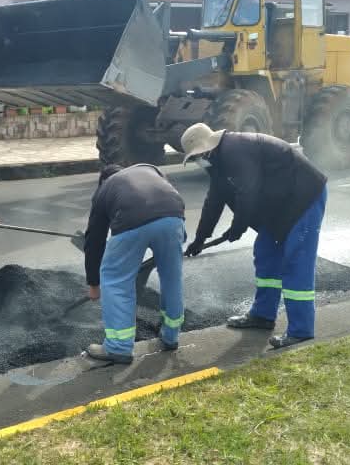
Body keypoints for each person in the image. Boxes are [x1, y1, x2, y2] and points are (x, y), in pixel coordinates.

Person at [180, 122, 327, 349]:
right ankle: (263, 315)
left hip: (303, 199)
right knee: (266, 253)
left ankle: (301, 330)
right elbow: (214, 202)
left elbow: (248, 192)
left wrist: (237, 228)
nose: (198, 161)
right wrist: (200, 239)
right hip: (277, 205)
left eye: (198, 156)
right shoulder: (217, 163)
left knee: (296, 262)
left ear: (208, 148)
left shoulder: (235, 150)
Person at [83, 164, 186, 364]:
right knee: (172, 278)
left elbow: (94, 240)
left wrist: (94, 284)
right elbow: (166, 202)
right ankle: (171, 337)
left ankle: (118, 347)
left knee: (115, 280)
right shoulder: (149, 170)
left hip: (132, 221)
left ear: (103, 182)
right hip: (174, 217)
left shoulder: (104, 190)